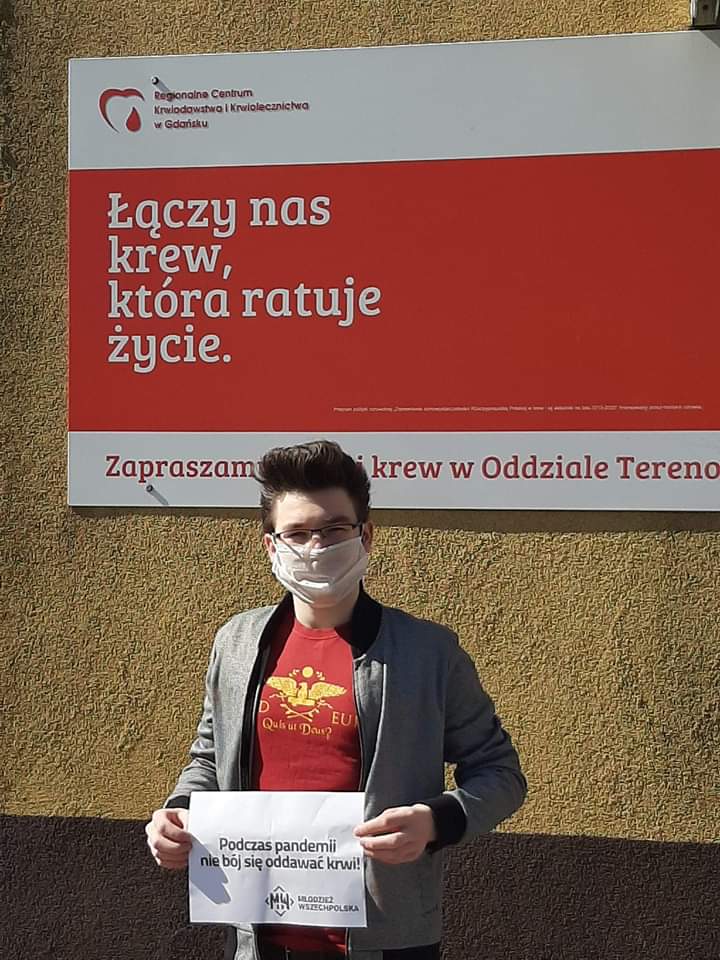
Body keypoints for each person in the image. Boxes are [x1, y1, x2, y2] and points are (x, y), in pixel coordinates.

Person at [145, 440, 527, 960]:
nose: (316, 547)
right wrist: (177, 812)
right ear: (271, 547)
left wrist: (436, 821)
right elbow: (209, 758)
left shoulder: (427, 653)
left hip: (386, 940)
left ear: (366, 535)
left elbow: (500, 773)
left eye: (334, 529)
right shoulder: (236, 643)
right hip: (258, 938)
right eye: (298, 533)